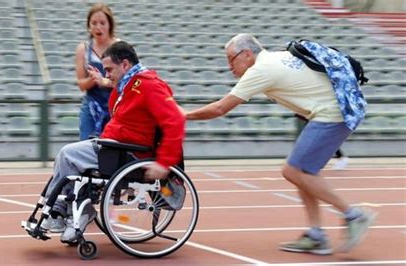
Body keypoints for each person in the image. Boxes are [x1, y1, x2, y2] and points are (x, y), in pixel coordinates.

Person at [184, 33, 376, 255]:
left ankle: (354, 215)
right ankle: (316, 235)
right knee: (304, 172)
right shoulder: (276, 58)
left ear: (247, 54)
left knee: (293, 171)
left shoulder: (261, 70)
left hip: (332, 114)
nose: (230, 66)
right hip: (329, 112)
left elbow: (220, 108)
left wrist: (185, 115)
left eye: (231, 59)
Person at [43, 41, 185, 244]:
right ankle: (71, 212)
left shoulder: (149, 85)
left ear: (125, 65)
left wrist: (164, 162)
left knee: (67, 154)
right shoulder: (129, 85)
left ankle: (60, 211)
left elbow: (176, 120)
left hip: (127, 152)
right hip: (114, 146)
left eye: (109, 69)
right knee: (71, 159)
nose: (106, 74)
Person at [75, 3, 119, 140]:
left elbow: (127, 80)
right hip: (92, 106)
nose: (98, 27)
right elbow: (81, 84)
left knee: (113, 149)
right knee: (86, 148)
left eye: (102, 23)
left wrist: (104, 81)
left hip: (115, 107)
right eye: (94, 23)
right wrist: (92, 79)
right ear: (89, 26)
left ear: (109, 25)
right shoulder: (83, 49)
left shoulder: (119, 47)